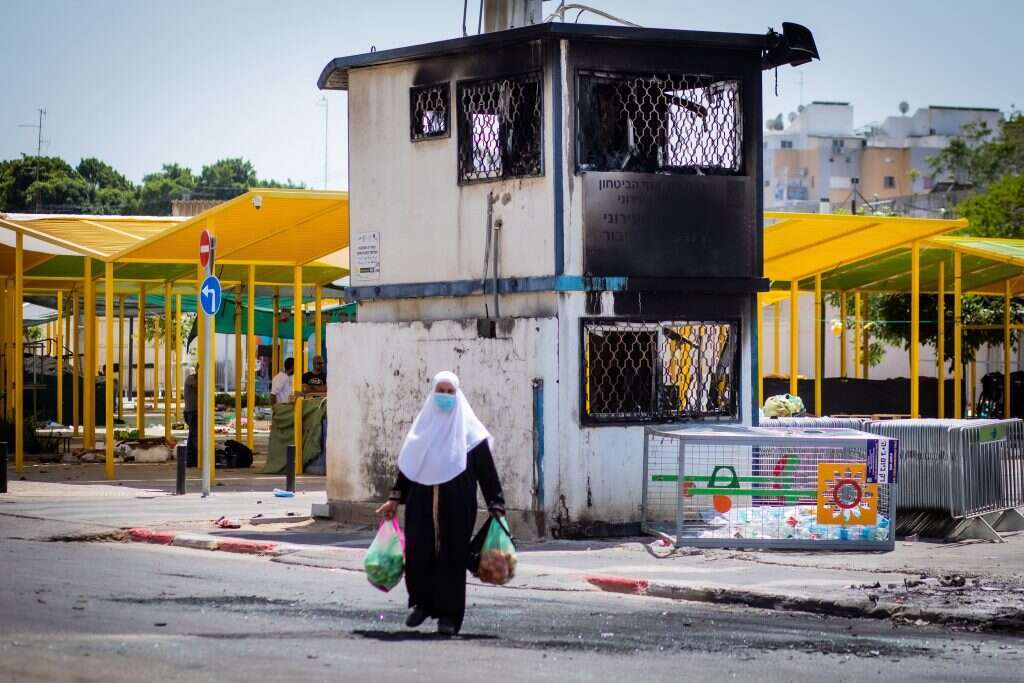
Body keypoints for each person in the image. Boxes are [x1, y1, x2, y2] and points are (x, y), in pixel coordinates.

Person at [376, 371, 505, 636]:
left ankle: (448, 616)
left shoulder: (471, 434)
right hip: (421, 502)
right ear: (433, 394)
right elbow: (408, 467)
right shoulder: (422, 430)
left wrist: (496, 503)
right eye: (441, 391)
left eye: (450, 392)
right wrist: (394, 498)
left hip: (457, 504)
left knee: (452, 557)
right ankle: (422, 604)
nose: (445, 397)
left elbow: (486, 471)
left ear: (458, 396)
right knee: (418, 553)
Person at [183, 366, 198, 467]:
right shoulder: (191, 379)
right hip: (192, 412)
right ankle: (192, 459)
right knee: (194, 436)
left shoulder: (194, 379)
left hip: (194, 412)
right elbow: (198, 387)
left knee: (193, 435)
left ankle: (191, 459)